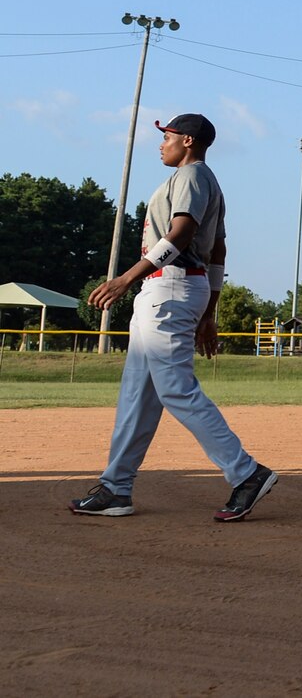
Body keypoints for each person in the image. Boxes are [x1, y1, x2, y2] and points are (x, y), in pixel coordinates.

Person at [69, 114, 278, 523]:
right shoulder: (204, 180)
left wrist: (127, 277)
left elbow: (181, 234)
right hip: (179, 288)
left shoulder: (191, 176)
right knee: (138, 394)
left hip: (169, 289)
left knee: (177, 389)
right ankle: (116, 487)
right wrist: (209, 311)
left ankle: (246, 472)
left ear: (187, 140)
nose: (161, 143)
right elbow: (217, 250)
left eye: (166, 136)